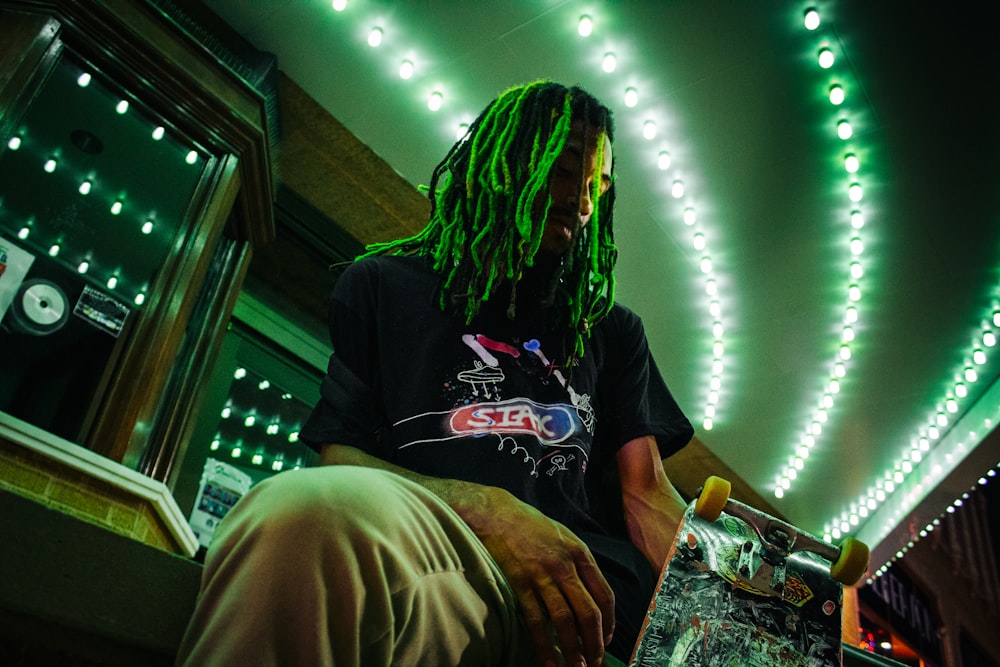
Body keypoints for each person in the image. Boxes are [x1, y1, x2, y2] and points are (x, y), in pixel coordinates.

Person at [176, 81, 693, 667]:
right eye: (567, 169)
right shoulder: (382, 285)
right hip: (436, 553)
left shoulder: (609, 328)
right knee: (303, 514)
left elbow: (646, 493)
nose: (582, 202)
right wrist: (488, 510)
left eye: (598, 186)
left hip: (588, 603)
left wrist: (748, 594)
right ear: (505, 160)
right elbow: (340, 457)